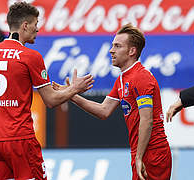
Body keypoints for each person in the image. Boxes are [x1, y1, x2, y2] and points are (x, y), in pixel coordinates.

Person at [0, 2, 94, 180]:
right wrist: (74, 89)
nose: (37, 29)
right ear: (25, 25)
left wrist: (0, 105)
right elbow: (50, 101)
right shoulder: (30, 56)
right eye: (35, 25)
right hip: (20, 140)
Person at [53, 23, 172, 180]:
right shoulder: (123, 79)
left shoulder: (141, 77)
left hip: (153, 153)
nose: (111, 50)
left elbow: (147, 120)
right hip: (141, 152)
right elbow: (104, 110)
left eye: (117, 46)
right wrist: (71, 94)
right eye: (112, 45)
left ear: (132, 51)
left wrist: (139, 156)